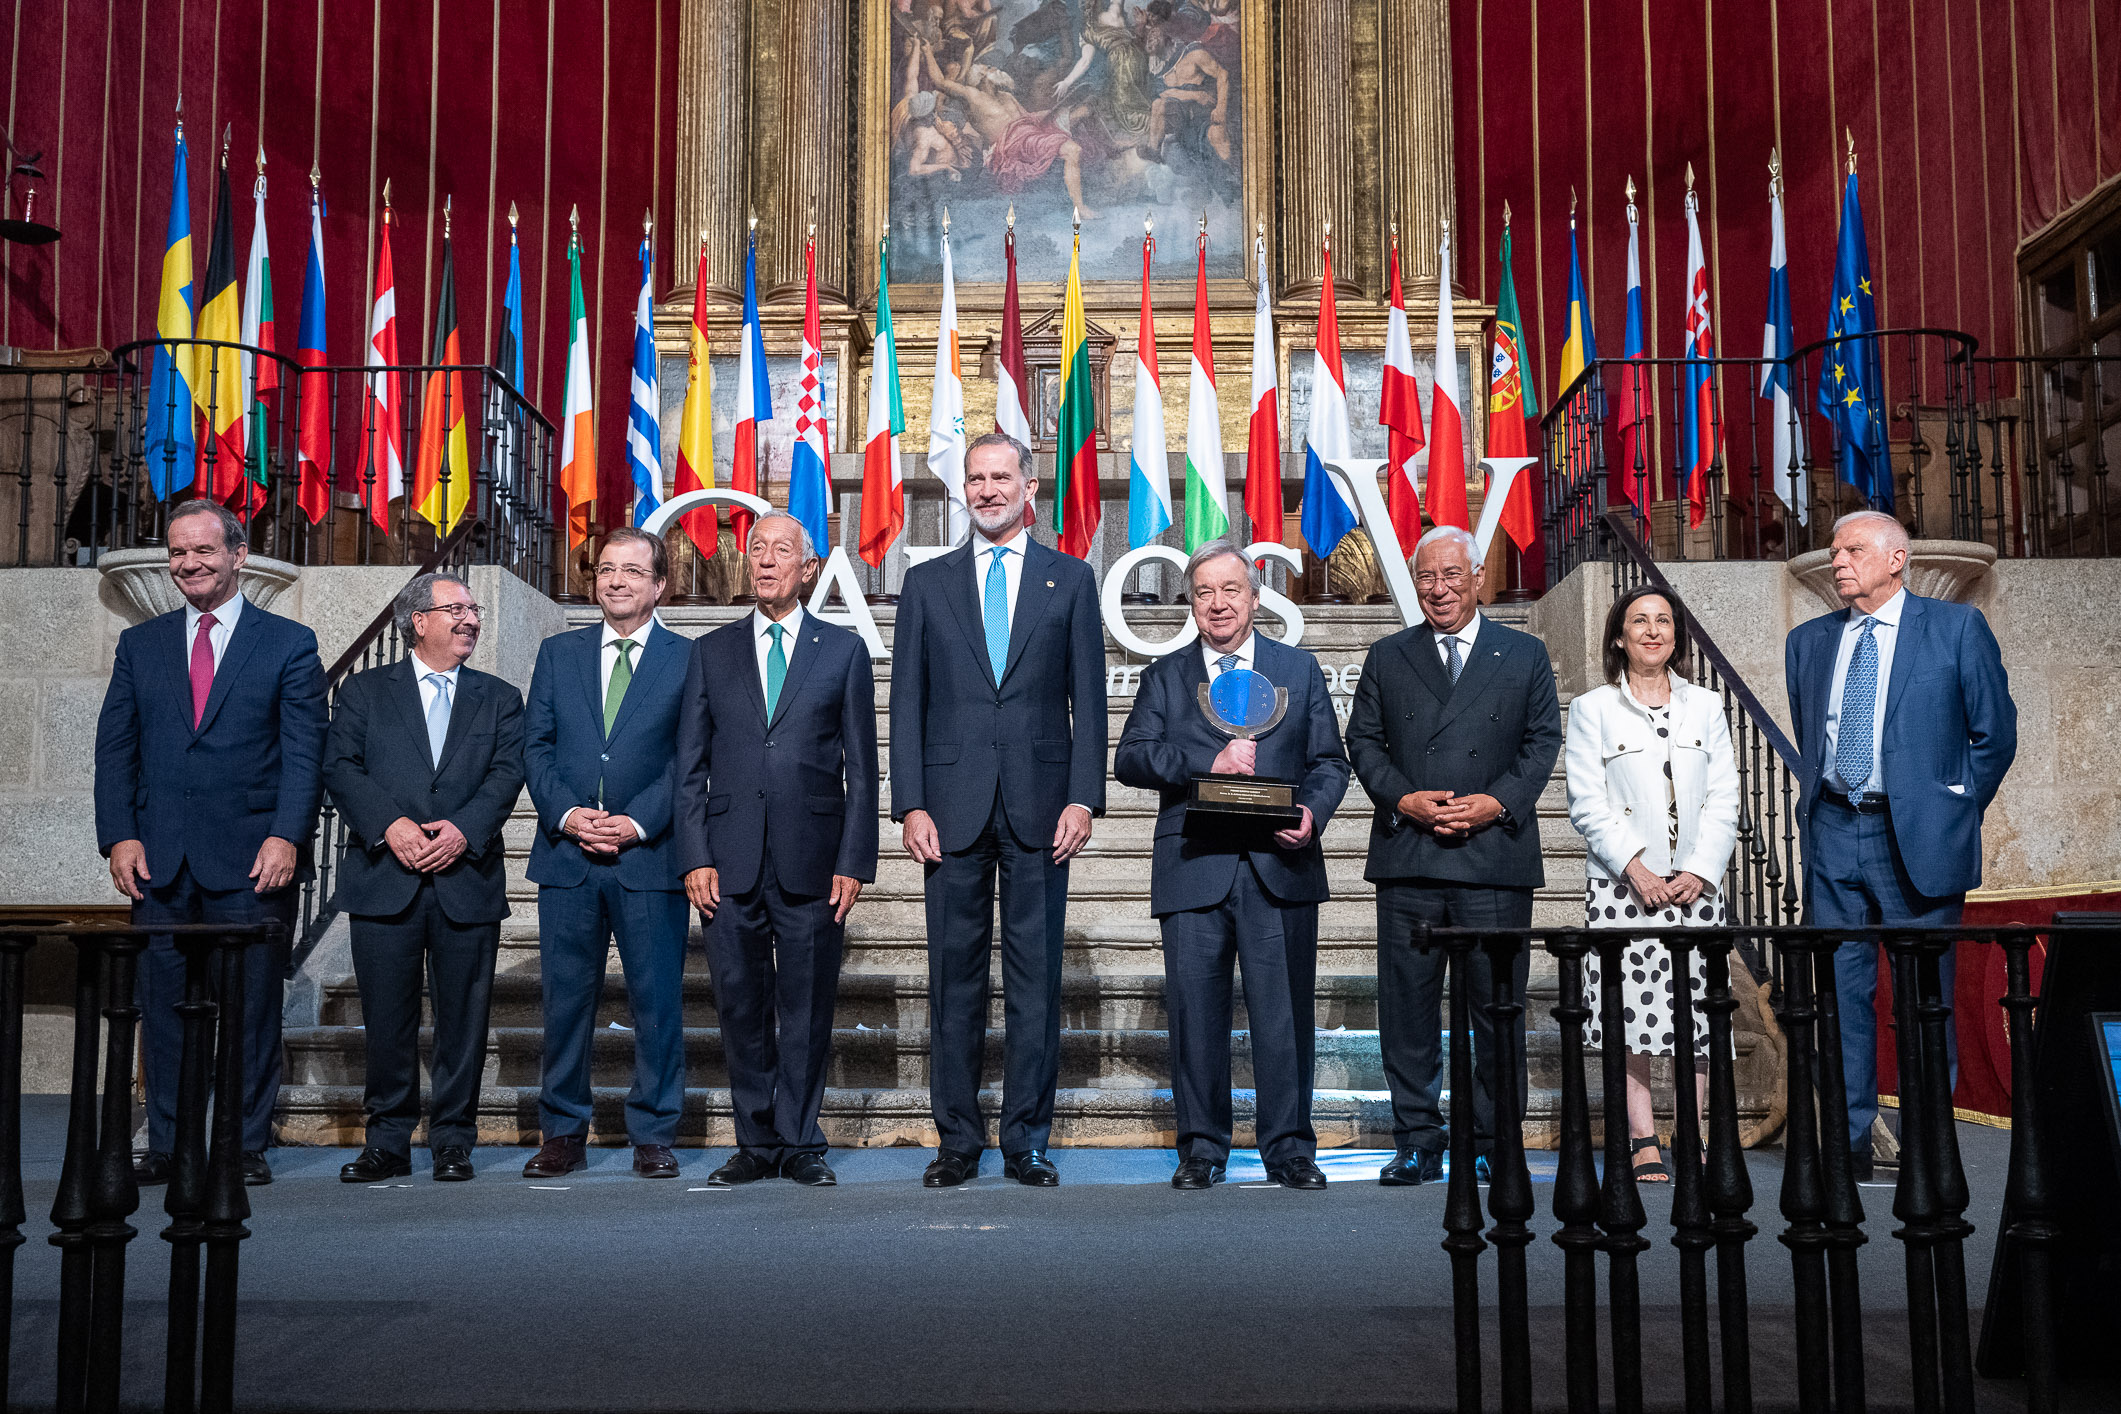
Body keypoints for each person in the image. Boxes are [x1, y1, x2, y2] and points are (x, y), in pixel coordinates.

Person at [890, 431, 1106, 1188]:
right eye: (975, 479)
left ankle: (1025, 1139)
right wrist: (910, 803)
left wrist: (1084, 795)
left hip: (1042, 810)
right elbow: (906, 702)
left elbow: (1090, 698)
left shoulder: (1071, 580)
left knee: (1034, 982)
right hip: (947, 811)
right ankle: (956, 1139)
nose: (986, 490)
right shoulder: (926, 582)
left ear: (1028, 486)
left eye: (1000, 477)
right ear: (964, 490)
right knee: (953, 980)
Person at [95, 499, 327, 1188]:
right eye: (177, 553)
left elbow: (303, 755)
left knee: (252, 1012)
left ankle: (242, 1143)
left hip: (253, 861)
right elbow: (116, 750)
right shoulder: (142, 644)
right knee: (161, 1013)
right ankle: (164, 1141)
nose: (188, 564)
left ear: (237, 554)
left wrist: (287, 834)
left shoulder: (288, 644)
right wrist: (120, 836)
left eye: (202, 551)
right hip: (159, 863)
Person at [1785, 509, 2015, 1179]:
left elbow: (1993, 734)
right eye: (1832, 550)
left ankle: (1924, 1141)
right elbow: (1813, 736)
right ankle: (1850, 1138)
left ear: (1896, 559)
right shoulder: (1808, 642)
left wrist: (1951, 807)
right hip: (1832, 829)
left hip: (1916, 837)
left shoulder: (1954, 628)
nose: (1837, 560)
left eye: (1852, 548)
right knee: (1838, 992)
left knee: (1921, 995)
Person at [1114, 540, 1350, 1190]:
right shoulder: (1164, 676)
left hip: (1280, 865)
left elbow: (1330, 762)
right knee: (1194, 1016)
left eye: (1229, 590)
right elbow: (1130, 757)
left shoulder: (1296, 671)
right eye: (1203, 593)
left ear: (1253, 596)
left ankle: (1290, 1150)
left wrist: (1312, 813)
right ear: (1191, 604)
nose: (1217, 604)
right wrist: (1201, 766)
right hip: (1195, 865)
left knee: (1284, 1017)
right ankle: (1201, 1149)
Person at [1344, 525, 1562, 1185]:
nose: (1437, 589)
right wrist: (1403, 798)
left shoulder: (1522, 655)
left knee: (1495, 1011)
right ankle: (1416, 1139)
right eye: (1426, 577)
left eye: (1449, 576)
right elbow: (1364, 741)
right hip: (1409, 855)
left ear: (1475, 577)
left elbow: (1540, 739)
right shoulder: (1388, 656)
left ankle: (1496, 1141)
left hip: (1492, 857)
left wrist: (1496, 804)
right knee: (1406, 1011)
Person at [674, 511, 879, 1187]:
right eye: (756, 549)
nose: (765, 561)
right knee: (739, 1004)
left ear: (808, 567)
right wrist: (695, 855)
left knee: (807, 1006)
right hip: (727, 861)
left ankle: (798, 1142)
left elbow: (861, 765)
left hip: (814, 861)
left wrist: (854, 860)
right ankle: (755, 1143)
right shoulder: (712, 651)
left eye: (780, 550)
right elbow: (689, 767)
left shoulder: (842, 651)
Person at [323, 573, 525, 1183]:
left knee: (464, 1019)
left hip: (468, 877)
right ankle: (386, 1140)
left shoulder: (499, 696)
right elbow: (340, 765)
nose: (469, 619)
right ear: (418, 620)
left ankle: (453, 1140)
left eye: (473, 609)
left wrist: (464, 829)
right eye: (455, 609)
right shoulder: (363, 692)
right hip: (388, 874)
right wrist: (391, 825)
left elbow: (507, 771)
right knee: (388, 1017)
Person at [520, 528, 691, 1181]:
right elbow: (537, 746)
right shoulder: (558, 653)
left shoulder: (687, 659)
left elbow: (688, 757)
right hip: (568, 856)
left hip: (648, 857)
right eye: (607, 570)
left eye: (632, 571)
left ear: (659, 585)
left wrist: (635, 821)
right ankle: (562, 1132)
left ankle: (653, 1132)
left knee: (656, 1001)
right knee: (565, 1002)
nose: (616, 580)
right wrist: (567, 815)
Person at [1564, 586, 1739, 1181]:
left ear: (1675, 637)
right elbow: (1586, 803)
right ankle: (1641, 1136)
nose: (1652, 630)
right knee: (1631, 1018)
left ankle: (1690, 1130)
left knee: (1695, 1015)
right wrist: (1635, 866)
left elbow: (1724, 799)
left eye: (1663, 620)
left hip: (1695, 886)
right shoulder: (1593, 709)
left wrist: (1699, 868)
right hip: (1623, 886)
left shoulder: (1707, 707)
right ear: (1619, 636)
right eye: (1639, 620)